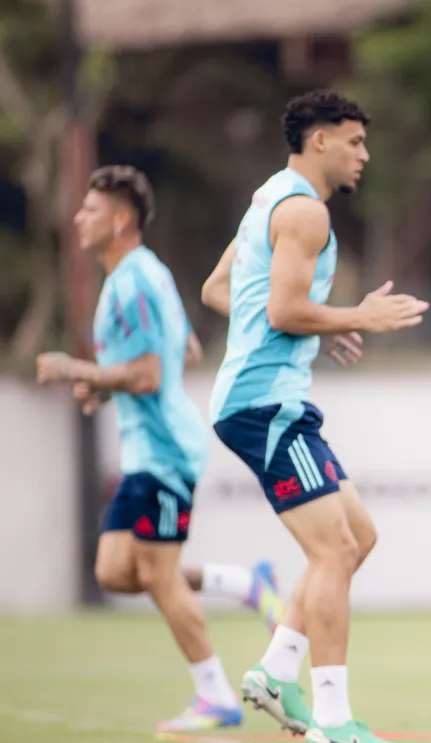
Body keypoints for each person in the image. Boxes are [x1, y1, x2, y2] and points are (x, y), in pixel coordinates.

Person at [201, 91, 429, 743]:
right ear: (321, 140)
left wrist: (309, 326)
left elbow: (223, 290)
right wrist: (353, 316)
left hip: (268, 397)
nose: (364, 154)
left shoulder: (269, 197)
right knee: (334, 549)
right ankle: (332, 719)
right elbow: (279, 311)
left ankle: (276, 671)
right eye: (354, 141)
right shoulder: (304, 212)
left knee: (358, 535)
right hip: (264, 402)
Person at [36, 165, 284, 732]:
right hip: (148, 450)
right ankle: (248, 586)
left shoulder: (133, 280)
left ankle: (216, 696)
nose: (79, 217)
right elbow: (186, 349)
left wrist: (79, 370)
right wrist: (104, 384)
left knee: (157, 574)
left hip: (166, 450)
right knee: (117, 570)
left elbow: (150, 374)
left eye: (90, 210)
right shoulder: (138, 274)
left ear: (121, 219)